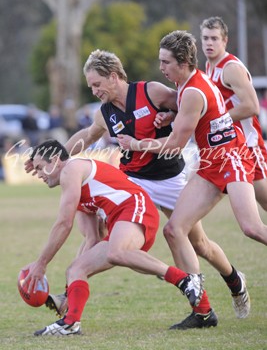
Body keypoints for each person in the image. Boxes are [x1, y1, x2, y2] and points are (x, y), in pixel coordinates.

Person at [25, 50, 250, 328]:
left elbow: (188, 106)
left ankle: (233, 279)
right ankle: (72, 294)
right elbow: (86, 136)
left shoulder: (151, 92)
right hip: (133, 180)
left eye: (97, 84)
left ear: (114, 76)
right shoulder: (105, 113)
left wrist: (167, 116)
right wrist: (50, 156)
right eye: (90, 86)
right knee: (98, 233)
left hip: (170, 178)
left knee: (197, 242)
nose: (94, 91)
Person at [117, 30, 267, 329]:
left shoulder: (193, 89)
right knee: (174, 230)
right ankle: (202, 310)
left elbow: (174, 144)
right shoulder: (186, 85)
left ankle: (229, 286)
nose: (161, 68)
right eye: (160, 61)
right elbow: (194, 115)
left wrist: (135, 144)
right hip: (211, 161)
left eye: (166, 62)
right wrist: (171, 116)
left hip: (232, 157)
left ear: (183, 61)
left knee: (251, 228)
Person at [22, 139, 207, 336]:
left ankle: (185, 280)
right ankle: (70, 322)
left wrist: (40, 264)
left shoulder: (72, 169)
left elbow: (63, 224)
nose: (39, 174)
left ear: (57, 160)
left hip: (135, 207)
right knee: (76, 269)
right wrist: (70, 290)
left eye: (41, 167)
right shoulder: (74, 189)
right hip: (121, 224)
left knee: (116, 252)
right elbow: (92, 238)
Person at [200, 16, 267, 210]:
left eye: (214, 38)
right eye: (205, 38)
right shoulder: (209, 65)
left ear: (224, 40)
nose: (209, 43)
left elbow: (252, 106)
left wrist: (217, 120)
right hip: (229, 144)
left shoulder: (231, 68)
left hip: (248, 143)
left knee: (264, 200)